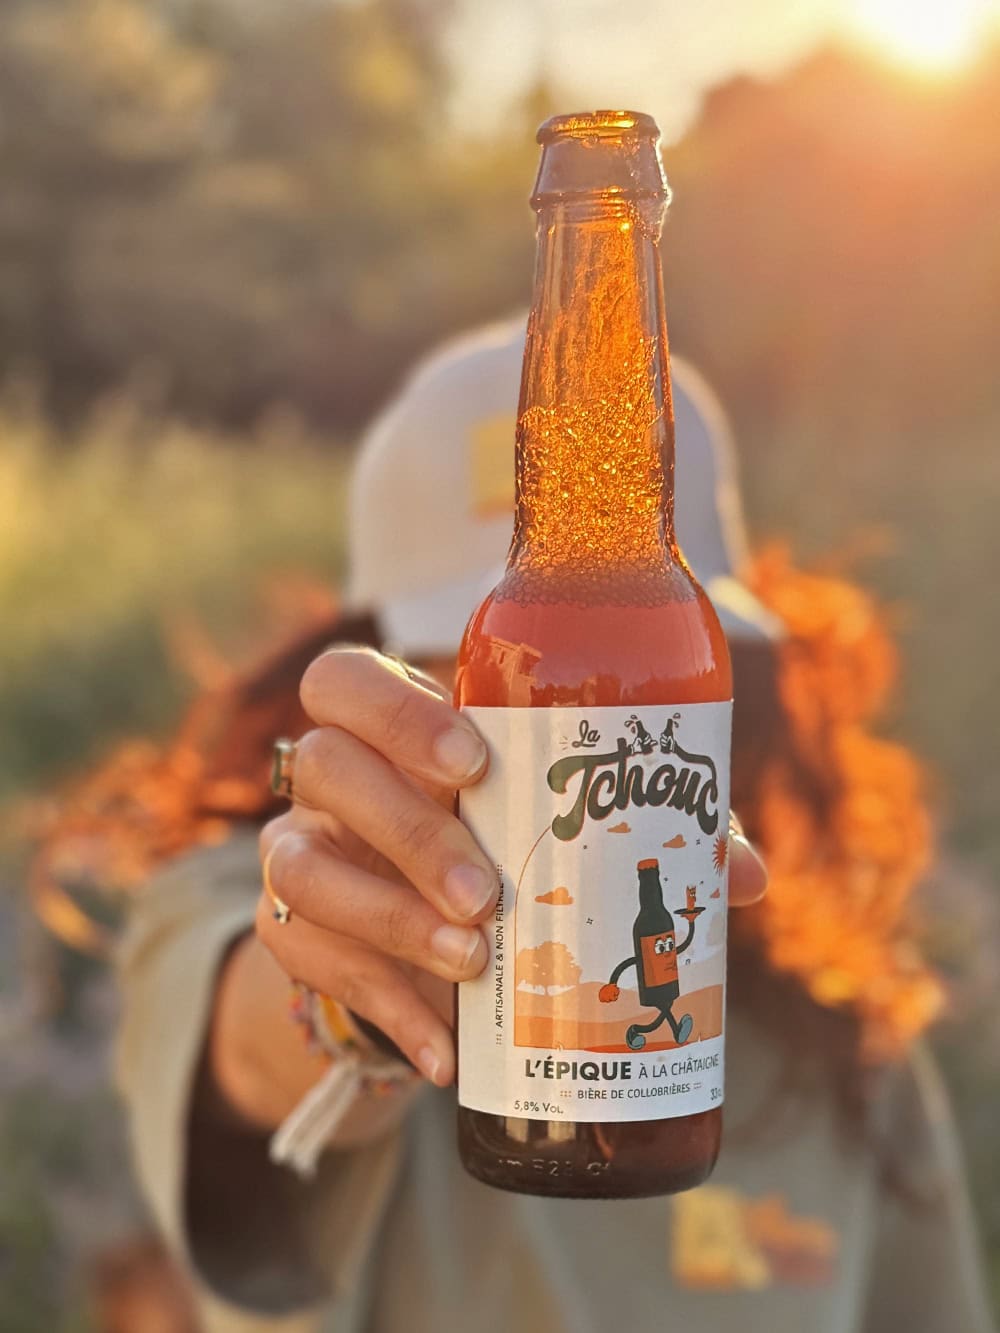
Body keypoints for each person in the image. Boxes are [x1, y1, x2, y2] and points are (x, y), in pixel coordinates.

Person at [99, 316, 992, 1331]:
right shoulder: (248, 891)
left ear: (716, 678)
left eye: (625, 666)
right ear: (382, 668)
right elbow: (258, 1036)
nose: (572, 712)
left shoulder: (847, 1048)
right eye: (495, 666)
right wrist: (360, 986)